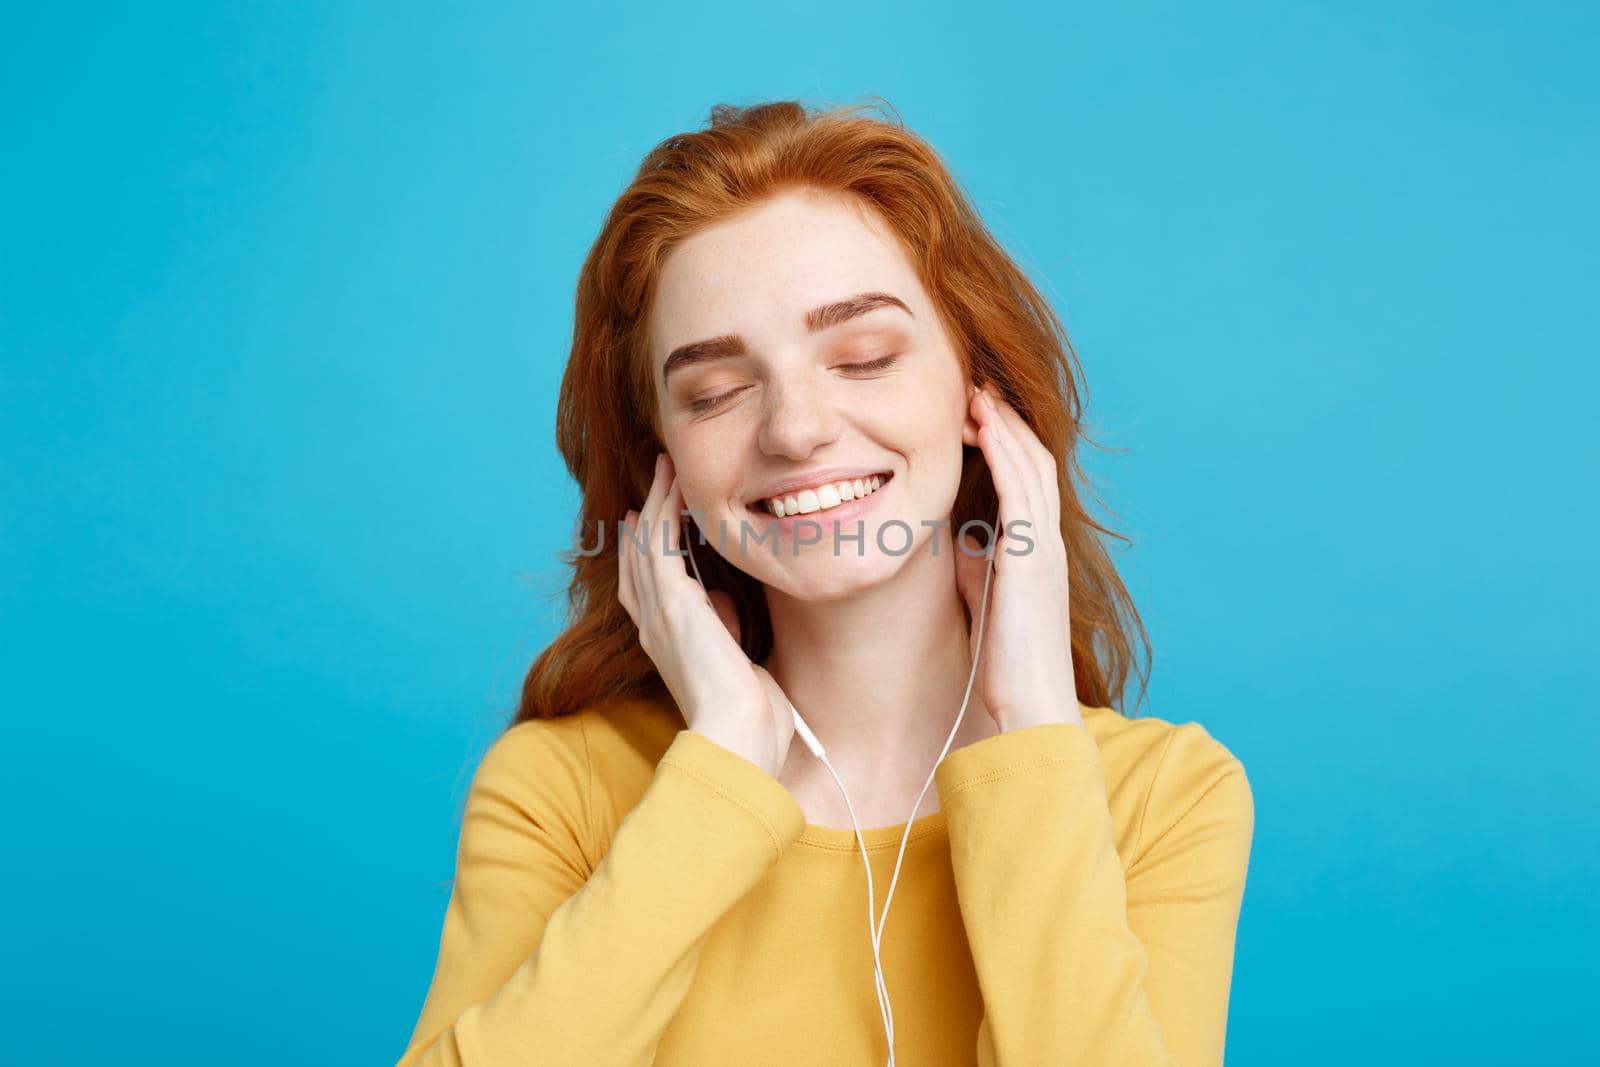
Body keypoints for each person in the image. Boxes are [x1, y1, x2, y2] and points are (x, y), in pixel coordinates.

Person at [396, 98, 1254, 1066]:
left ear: (982, 389)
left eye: (863, 356)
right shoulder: (566, 789)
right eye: (715, 392)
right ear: (661, 459)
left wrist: (1032, 733)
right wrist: (720, 768)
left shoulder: (1161, 796)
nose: (794, 428)